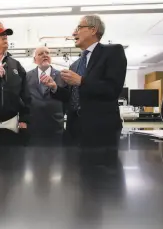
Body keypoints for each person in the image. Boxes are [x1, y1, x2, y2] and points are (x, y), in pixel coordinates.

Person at [40, 15, 127, 145]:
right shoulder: (75, 65)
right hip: (74, 129)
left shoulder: (113, 52)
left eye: (79, 28)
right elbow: (71, 96)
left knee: (104, 165)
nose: (74, 33)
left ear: (93, 30)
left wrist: (81, 81)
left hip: (101, 129)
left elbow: (112, 89)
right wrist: (55, 87)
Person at [26, 46, 66, 136]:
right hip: (33, 126)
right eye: (40, 54)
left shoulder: (62, 76)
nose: (45, 55)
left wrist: (55, 88)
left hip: (56, 125)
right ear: (34, 60)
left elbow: (67, 98)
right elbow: (24, 99)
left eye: (47, 53)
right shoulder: (26, 76)